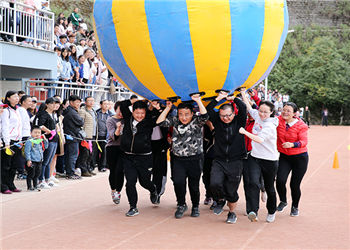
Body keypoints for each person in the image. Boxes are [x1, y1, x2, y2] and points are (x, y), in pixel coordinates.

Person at [157, 94, 209, 219]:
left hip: (195, 159)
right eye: (181, 114)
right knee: (178, 182)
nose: (183, 117)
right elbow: (159, 122)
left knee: (193, 185)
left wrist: (198, 100)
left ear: (192, 114)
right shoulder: (174, 121)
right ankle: (181, 205)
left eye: (187, 114)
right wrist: (168, 108)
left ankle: (195, 206)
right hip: (178, 159)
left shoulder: (197, 121)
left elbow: (205, 116)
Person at [206, 91, 247, 223]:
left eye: (228, 115)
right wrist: (219, 98)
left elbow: (243, 108)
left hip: (236, 160)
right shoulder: (217, 122)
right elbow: (208, 110)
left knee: (231, 190)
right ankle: (220, 200)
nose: (226, 118)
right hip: (219, 159)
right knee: (214, 183)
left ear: (234, 114)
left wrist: (234, 98)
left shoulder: (240, 122)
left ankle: (232, 213)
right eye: (223, 116)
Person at [239, 89, 279, 223]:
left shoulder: (270, 126)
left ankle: (271, 211)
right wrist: (243, 94)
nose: (261, 114)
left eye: (265, 112)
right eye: (260, 111)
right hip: (255, 157)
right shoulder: (257, 116)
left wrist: (244, 132)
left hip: (269, 160)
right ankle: (253, 211)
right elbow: (250, 108)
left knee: (269, 187)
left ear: (271, 113)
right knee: (253, 183)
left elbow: (259, 139)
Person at [119, 99, 160, 216]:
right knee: (130, 182)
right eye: (137, 113)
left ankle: (153, 190)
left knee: (144, 182)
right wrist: (136, 100)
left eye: (142, 113)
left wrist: (156, 107)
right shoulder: (127, 118)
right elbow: (123, 104)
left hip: (144, 158)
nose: (140, 116)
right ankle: (133, 207)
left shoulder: (148, 122)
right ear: (132, 111)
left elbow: (159, 117)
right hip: (128, 157)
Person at [276, 102, 309, 217]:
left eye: (288, 111)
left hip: (299, 158)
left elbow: (304, 142)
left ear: (294, 113)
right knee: (280, 181)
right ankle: (283, 200)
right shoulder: (278, 121)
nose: (285, 112)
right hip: (284, 157)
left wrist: (293, 144)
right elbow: (264, 112)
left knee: (294, 185)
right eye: (283, 110)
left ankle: (295, 206)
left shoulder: (301, 125)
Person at [35, 97, 60, 189]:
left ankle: (48, 179)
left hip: (55, 139)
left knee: (49, 160)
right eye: (52, 103)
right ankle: (41, 180)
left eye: (55, 103)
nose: (54, 105)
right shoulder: (43, 114)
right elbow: (40, 125)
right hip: (48, 139)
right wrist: (49, 131)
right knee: (45, 160)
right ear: (47, 104)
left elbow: (57, 124)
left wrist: (57, 130)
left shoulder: (54, 114)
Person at [1, 91, 22, 194]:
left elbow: (19, 126)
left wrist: (21, 139)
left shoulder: (17, 110)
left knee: (14, 165)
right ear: (8, 98)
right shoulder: (6, 111)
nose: (17, 98)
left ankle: (11, 184)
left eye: (17, 96)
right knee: (6, 165)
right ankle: (3, 186)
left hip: (17, 140)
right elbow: (5, 127)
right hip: (9, 141)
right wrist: (7, 142)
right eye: (14, 96)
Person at [150, 100, 170, 204]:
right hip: (147, 145)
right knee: (147, 171)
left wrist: (159, 108)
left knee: (160, 170)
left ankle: (157, 192)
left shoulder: (165, 111)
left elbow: (165, 121)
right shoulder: (145, 113)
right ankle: (152, 189)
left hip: (161, 144)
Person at [106, 101, 125, 204]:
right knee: (113, 170)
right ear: (115, 109)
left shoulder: (127, 119)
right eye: (119, 110)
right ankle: (113, 191)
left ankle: (118, 191)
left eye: (123, 111)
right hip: (112, 147)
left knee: (120, 170)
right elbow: (114, 137)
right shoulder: (110, 120)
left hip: (123, 148)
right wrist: (118, 127)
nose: (121, 113)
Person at [63, 95, 84, 179]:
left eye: (79, 102)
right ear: (71, 102)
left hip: (71, 135)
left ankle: (69, 172)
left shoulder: (69, 110)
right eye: (77, 102)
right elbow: (80, 122)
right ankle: (70, 173)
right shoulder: (72, 112)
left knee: (70, 155)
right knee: (72, 155)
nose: (78, 104)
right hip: (72, 136)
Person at [77, 96, 97, 176]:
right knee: (85, 154)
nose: (91, 102)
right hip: (86, 136)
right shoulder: (82, 111)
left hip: (93, 135)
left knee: (90, 154)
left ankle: (88, 168)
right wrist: (82, 134)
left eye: (92, 100)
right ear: (85, 102)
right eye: (89, 101)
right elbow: (80, 124)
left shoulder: (93, 111)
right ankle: (83, 170)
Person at [24, 126, 49, 191]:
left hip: (39, 160)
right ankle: (29, 186)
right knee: (31, 174)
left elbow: (46, 147)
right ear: (31, 133)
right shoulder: (29, 141)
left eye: (39, 133)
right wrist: (28, 160)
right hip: (32, 160)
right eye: (35, 132)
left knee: (37, 174)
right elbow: (27, 151)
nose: (37, 134)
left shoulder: (40, 140)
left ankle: (35, 186)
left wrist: (45, 140)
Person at [93, 100, 112, 172]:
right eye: (105, 104)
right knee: (95, 151)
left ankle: (102, 166)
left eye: (108, 104)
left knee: (104, 151)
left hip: (106, 136)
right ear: (101, 105)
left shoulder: (110, 115)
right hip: (96, 135)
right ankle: (93, 165)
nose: (106, 105)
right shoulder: (96, 113)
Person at [16, 95, 32, 179]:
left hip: (26, 134)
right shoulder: (21, 110)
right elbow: (20, 124)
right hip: (22, 135)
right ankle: (20, 172)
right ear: (23, 102)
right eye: (28, 101)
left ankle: (22, 171)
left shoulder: (25, 111)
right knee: (21, 154)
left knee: (25, 154)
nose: (31, 103)